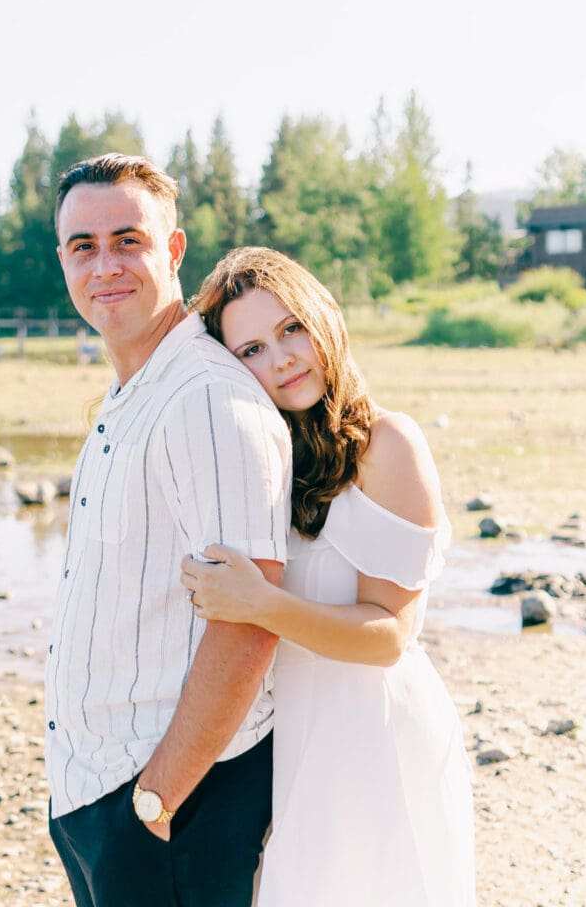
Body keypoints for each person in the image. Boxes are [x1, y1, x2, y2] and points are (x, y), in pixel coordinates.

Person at [182, 246, 476, 907]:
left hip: (372, 735)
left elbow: (389, 636)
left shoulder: (386, 444)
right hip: (288, 739)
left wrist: (260, 603)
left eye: (290, 329)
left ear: (325, 318)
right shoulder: (267, 457)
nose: (281, 357)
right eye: (251, 349)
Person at [45, 156, 292, 907]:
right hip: (101, 793)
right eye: (83, 246)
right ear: (62, 260)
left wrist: (153, 803)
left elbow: (251, 622)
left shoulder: (207, 401)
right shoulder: (130, 397)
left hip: (175, 804)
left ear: (175, 251)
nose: (106, 265)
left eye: (129, 240)